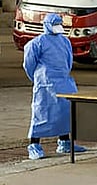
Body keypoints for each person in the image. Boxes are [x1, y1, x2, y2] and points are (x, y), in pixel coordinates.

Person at [24, 14, 86, 159]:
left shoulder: (65, 41)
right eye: (55, 23)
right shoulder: (37, 42)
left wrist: (63, 74)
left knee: (65, 112)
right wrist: (38, 77)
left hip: (63, 82)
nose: (59, 26)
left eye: (60, 23)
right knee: (41, 112)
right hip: (45, 83)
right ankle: (34, 144)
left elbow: (68, 60)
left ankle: (64, 141)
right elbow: (29, 64)